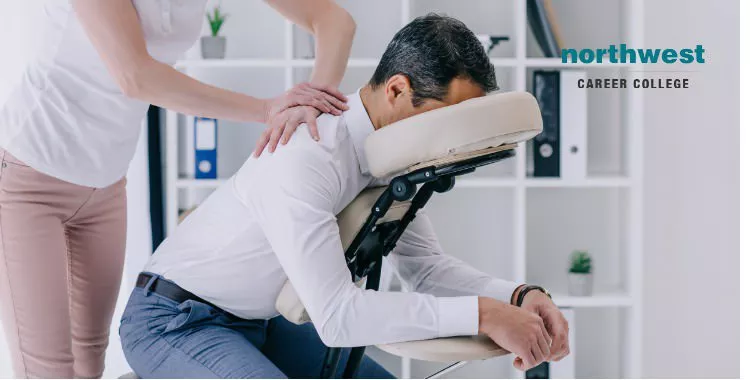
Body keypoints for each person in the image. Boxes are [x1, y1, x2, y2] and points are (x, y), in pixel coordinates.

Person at [120, 14, 570, 379]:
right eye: (443, 118)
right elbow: (337, 317)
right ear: (397, 89)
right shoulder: (307, 155)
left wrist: (519, 296)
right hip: (176, 321)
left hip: (258, 322)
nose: (446, 139)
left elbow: (426, 268)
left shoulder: (393, 159)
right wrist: (484, 315)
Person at [0, 0, 355, 378]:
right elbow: (135, 76)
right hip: (30, 180)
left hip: (105, 185)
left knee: (89, 355)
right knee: (47, 368)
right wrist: (269, 110)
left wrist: (312, 104)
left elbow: (334, 21)